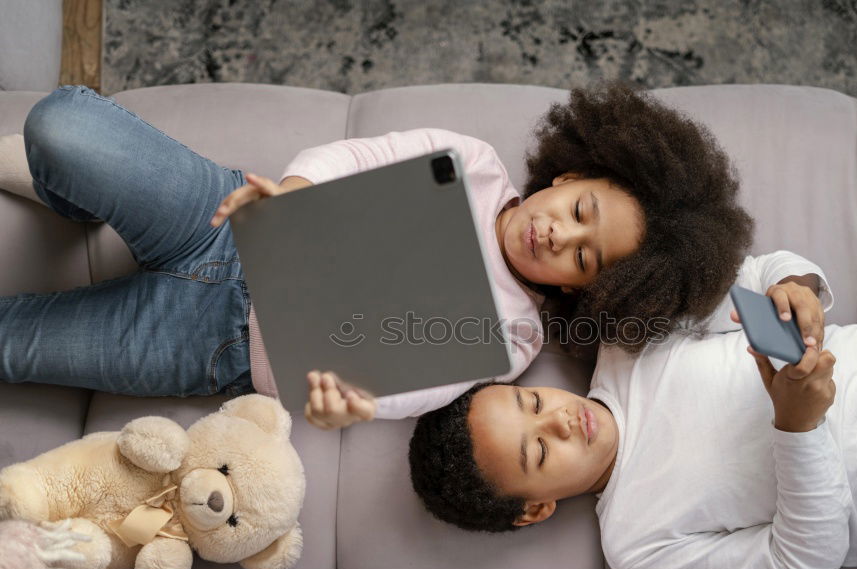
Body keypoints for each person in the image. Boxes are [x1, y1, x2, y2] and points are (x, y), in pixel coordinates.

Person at [0, 81, 754, 430]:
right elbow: (360, 152)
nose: (560, 234)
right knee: (61, 126)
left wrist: (340, 402)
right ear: (570, 174)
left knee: (13, 344)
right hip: (224, 219)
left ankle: (78, 202)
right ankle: (70, 196)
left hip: (214, 347)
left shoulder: (516, 336)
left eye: (584, 259)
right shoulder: (473, 164)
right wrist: (292, 192)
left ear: (586, 292)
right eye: (580, 211)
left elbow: (400, 392)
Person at [408, 267, 857, 569]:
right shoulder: (634, 544)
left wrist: (795, 286)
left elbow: (752, 276)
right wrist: (798, 428)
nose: (560, 419)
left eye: (532, 399)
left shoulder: (625, 340)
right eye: (538, 449)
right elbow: (800, 561)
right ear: (533, 508)